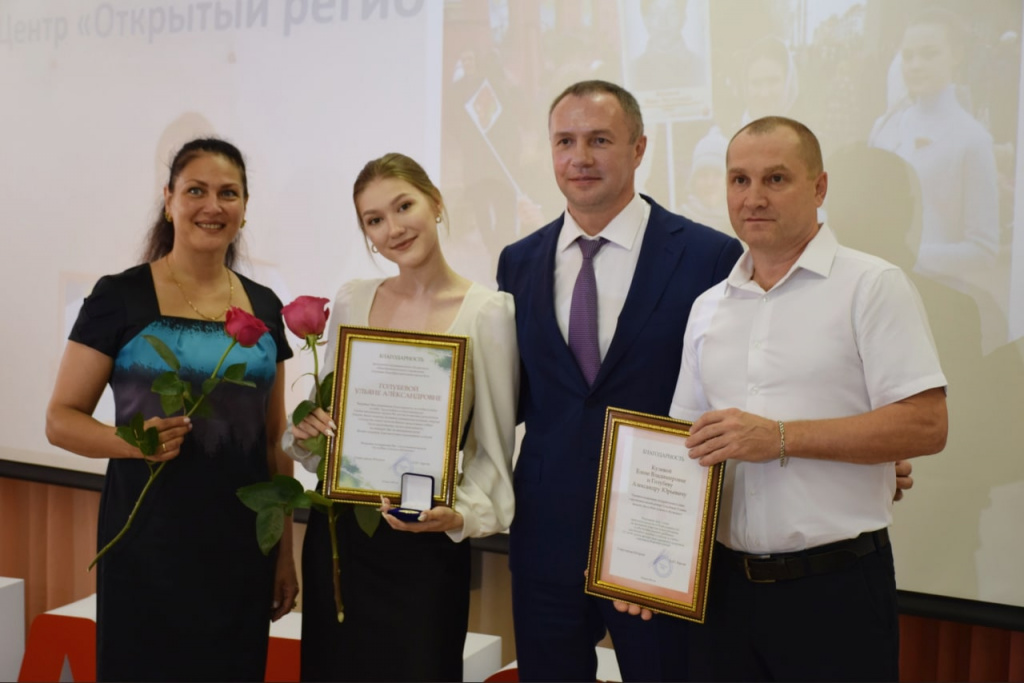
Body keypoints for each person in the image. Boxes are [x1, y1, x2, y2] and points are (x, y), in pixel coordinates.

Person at [664, 117, 948, 681]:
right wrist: (646, 564)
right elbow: (684, 448)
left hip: (834, 591)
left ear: (819, 188)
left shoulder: (872, 285)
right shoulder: (707, 307)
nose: (754, 197)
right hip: (722, 595)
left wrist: (781, 438)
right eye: (739, 180)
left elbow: (925, 425)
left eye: (776, 178)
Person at [496, 80, 744, 681]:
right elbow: (512, 395)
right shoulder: (518, 260)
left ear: (638, 149)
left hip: (659, 538)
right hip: (546, 535)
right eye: (566, 141)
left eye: (600, 139)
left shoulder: (709, 255)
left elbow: (742, 383)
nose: (580, 157)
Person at [45, 138, 298, 681]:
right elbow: (60, 419)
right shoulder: (119, 296)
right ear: (169, 200)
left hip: (239, 548)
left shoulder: (264, 306)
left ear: (245, 206)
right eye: (196, 191)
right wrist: (131, 442)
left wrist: (283, 553)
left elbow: (274, 435)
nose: (213, 205)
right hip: (148, 546)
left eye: (228, 193)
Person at [285, 153, 518, 682]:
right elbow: (333, 426)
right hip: (341, 537)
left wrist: (460, 515)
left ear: (434, 202)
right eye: (374, 220)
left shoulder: (487, 312)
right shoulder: (351, 300)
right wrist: (308, 432)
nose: (393, 228)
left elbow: (493, 450)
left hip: (423, 540)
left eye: (403, 206)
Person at [869, 8, 1001, 301]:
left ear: (956, 55)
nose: (915, 65)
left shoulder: (973, 139)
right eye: (908, 55)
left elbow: (984, 250)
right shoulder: (886, 126)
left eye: (929, 54)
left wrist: (909, 257)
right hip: (877, 295)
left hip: (936, 301)